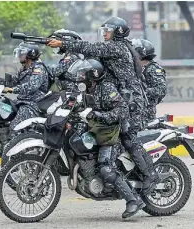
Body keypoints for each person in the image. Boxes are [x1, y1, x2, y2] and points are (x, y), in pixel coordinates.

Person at [46, 16, 159, 195]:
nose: (105, 34)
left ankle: (149, 174)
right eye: (104, 31)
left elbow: (90, 47)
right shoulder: (113, 48)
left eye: (108, 31)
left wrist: (63, 44)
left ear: (118, 32)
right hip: (120, 96)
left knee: (126, 135)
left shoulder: (118, 47)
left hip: (132, 101)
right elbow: (90, 55)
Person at [78, 59, 146, 218]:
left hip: (112, 132)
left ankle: (133, 199)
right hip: (99, 130)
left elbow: (122, 111)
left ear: (92, 75)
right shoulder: (88, 90)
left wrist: (99, 115)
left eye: (83, 74)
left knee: (105, 168)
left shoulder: (106, 88)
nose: (80, 76)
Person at [0, 42, 49, 130]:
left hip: (33, 104)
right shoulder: (24, 68)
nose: (20, 55)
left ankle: (11, 141)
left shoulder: (38, 69)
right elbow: (13, 81)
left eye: (22, 53)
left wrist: (12, 90)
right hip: (21, 101)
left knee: (15, 128)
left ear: (30, 54)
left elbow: (32, 86)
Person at [131, 38, 167, 124]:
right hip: (132, 113)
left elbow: (161, 89)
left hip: (145, 116)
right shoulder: (134, 68)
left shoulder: (153, 69)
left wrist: (141, 92)